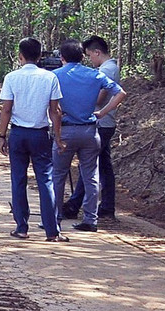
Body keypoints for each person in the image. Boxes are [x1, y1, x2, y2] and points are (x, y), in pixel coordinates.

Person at [50, 38, 125, 233]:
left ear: (62, 57)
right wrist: (103, 112)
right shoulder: (94, 75)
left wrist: (56, 132)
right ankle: (90, 219)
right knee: (91, 175)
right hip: (90, 132)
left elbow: (52, 108)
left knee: (58, 175)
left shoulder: (55, 76)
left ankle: (55, 218)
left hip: (66, 130)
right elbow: (120, 93)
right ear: (82, 56)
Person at [0, 37, 66, 242]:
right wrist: (59, 138)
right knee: (45, 180)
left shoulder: (11, 78)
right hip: (40, 134)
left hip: (18, 134)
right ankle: (52, 231)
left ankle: (21, 227)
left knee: (18, 179)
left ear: (20, 56)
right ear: (39, 56)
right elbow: (55, 112)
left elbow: (6, 109)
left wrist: (1, 136)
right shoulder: (50, 78)